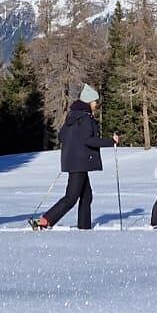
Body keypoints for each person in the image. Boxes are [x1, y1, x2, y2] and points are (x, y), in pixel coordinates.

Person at [29, 84, 119, 230]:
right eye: (95, 102)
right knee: (71, 197)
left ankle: (84, 227)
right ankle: (46, 220)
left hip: (75, 162)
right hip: (79, 163)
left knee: (86, 196)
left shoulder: (72, 116)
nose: (96, 105)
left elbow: (62, 136)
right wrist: (111, 141)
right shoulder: (85, 119)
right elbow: (88, 140)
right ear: (89, 102)